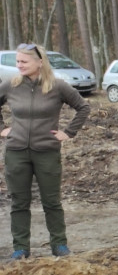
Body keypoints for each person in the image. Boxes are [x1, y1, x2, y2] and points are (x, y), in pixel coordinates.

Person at [0, 43, 91, 260]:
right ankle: (21, 248)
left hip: (47, 152)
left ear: (40, 62)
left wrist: (68, 132)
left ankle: (59, 244)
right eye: (17, 61)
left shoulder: (58, 87)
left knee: (51, 201)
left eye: (24, 61)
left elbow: (83, 107)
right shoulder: (10, 85)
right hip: (16, 151)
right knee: (19, 202)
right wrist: (2, 129)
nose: (19, 65)